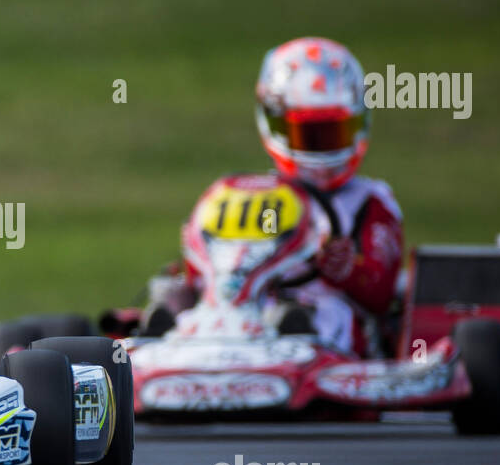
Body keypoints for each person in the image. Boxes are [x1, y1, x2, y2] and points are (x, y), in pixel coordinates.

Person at [152, 37, 403, 355]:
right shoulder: (248, 194)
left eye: (333, 133)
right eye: (309, 136)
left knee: (321, 315)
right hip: (243, 315)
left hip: (334, 329)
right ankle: (163, 336)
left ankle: (295, 342)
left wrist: (346, 270)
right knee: (177, 300)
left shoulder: (370, 202)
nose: (321, 151)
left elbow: (381, 296)